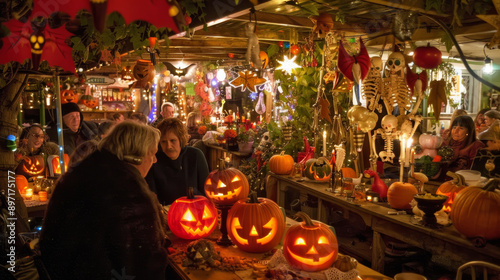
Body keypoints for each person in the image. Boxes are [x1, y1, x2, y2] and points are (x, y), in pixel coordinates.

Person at [40, 121, 168, 280]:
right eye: (152, 153)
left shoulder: (85, 170)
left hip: (59, 270)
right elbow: (145, 261)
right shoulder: (127, 190)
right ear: (137, 155)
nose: (154, 160)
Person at [145, 117, 209, 205]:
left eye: (172, 140)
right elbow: (152, 198)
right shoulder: (154, 160)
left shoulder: (196, 155)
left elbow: (207, 192)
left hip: (195, 210)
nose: (168, 146)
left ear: (180, 139)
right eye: (163, 142)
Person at [439, 115, 485, 180]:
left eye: (461, 128)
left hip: (464, 183)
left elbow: (475, 171)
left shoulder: (476, 146)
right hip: (441, 181)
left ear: (468, 131)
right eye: (454, 127)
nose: (455, 131)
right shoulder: (445, 143)